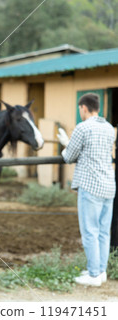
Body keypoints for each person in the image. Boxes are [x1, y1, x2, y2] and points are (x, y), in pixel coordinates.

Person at [57, 92, 116, 287]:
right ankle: (100, 272)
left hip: (90, 186)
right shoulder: (109, 128)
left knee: (90, 231)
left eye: (79, 109)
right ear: (97, 107)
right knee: (103, 232)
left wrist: (65, 143)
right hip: (108, 185)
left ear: (83, 107)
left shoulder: (82, 127)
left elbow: (69, 156)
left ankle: (92, 275)